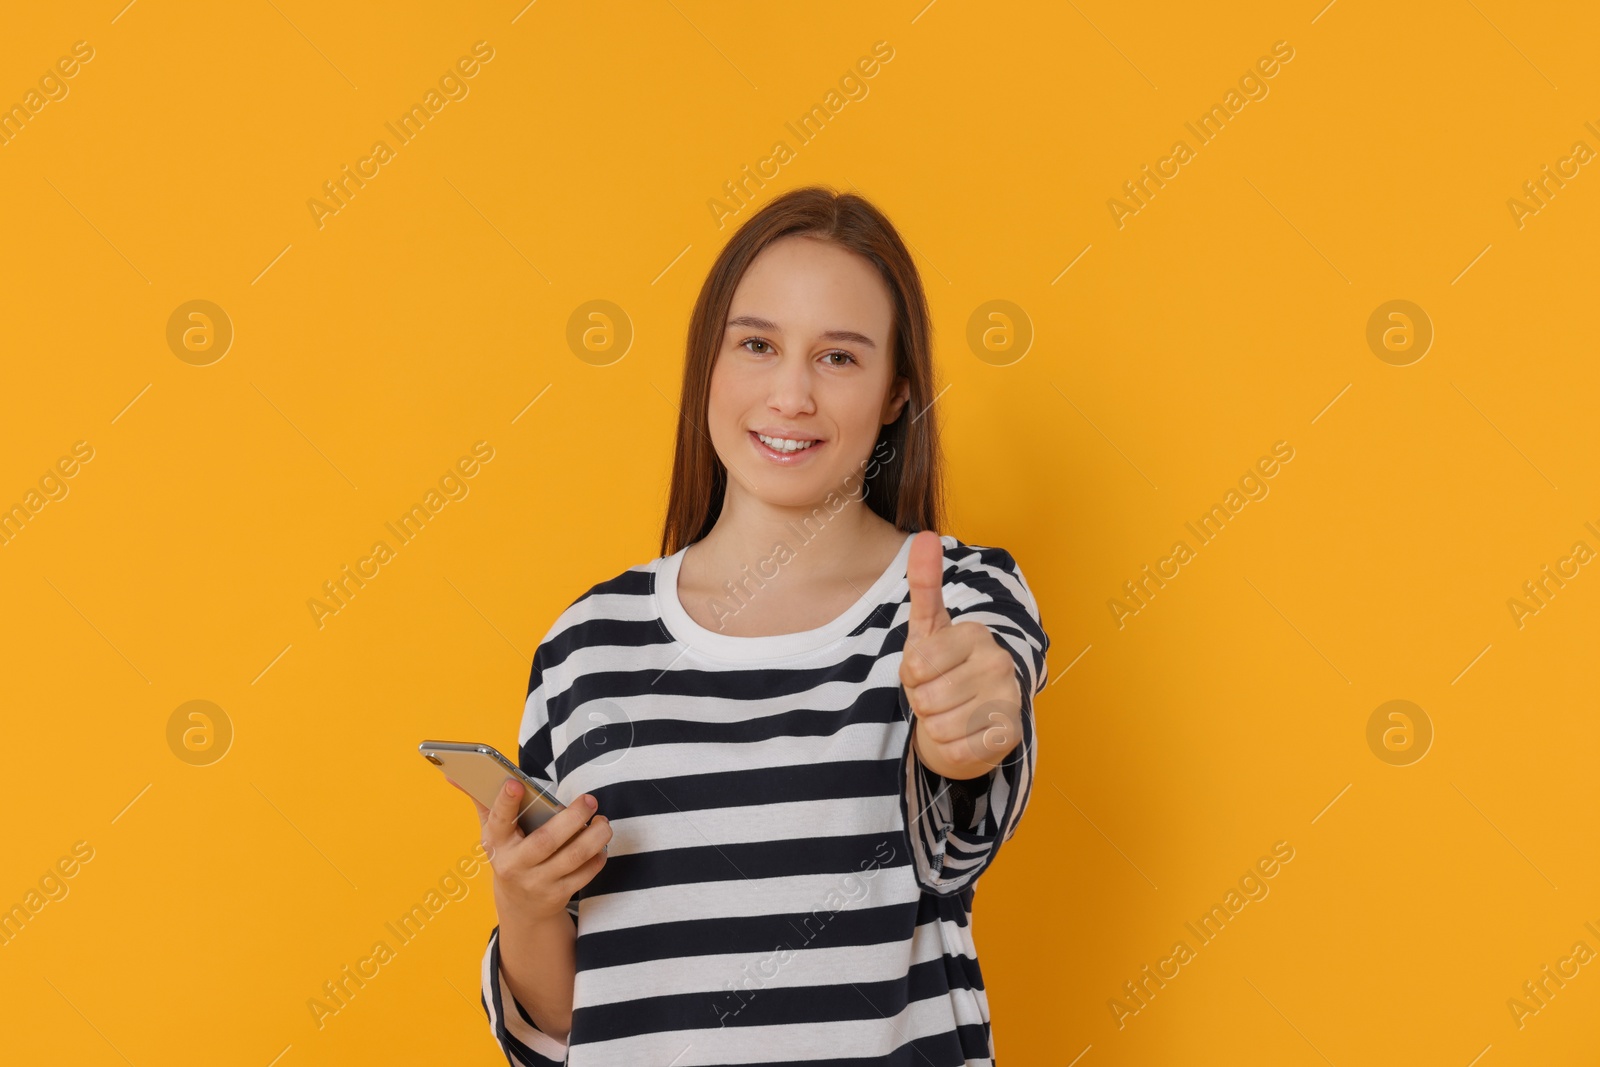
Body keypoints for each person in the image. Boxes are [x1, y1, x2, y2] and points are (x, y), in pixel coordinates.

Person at [459, 185, 1050, 1065]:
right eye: (758, 345)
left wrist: (961, 739)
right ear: (710, 362)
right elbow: (560, 1031)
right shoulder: (586, 646)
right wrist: (528, 905)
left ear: (896, 393)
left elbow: (961, 825)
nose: (790, 394)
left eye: (839, 358)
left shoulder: (958, 599)